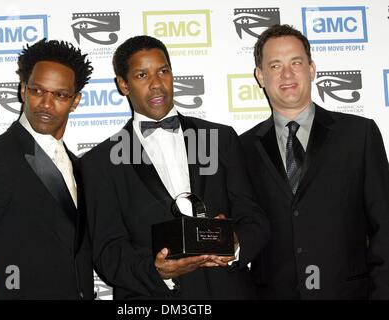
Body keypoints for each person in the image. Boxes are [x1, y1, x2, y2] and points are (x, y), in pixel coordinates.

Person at [81, 35, 269, 299]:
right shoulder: (101, 163)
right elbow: (108, 252)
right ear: (123, 84)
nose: (156, 84)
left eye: (163, 71)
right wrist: (157, 271)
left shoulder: (221, 139)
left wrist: (235, 242)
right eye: (142, 75)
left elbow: (254, 219)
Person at [238, 24, 389, 299]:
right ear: (260, 76)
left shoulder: (359, 134)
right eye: (275, 65)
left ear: (312, 68)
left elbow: (385, 227)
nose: (287, 73)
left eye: (296, 62)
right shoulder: (241, 148)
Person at [0, 39, 94, 299]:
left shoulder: (80, 166)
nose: (46, 103)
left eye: (60, 94)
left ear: (75, 100)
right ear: (23, 90)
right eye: (37, 91)